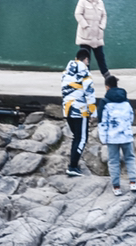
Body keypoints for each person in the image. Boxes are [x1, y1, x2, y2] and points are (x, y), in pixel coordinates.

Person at [98, 75, 136, 195]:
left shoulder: (104, 102)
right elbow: (131, 117)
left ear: (107, 87)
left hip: (112, 137)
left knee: (113, 161)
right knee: (130, 158)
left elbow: (102, 121)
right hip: (126, 135)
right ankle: (133, 182)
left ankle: (116, 187)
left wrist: (103, 138)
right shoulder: (126, 101)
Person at [61, 47, 97, 176]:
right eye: (88, 61)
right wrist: (93, 112)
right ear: (86, 59)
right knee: (82, 138)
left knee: (76, 137)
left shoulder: (66, 73)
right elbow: (90, 93)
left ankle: (73, 165)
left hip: (67, 110)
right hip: (80, 111)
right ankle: (73, 166)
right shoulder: (85, 73)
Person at [74, 0, 108, 77]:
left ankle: (107, 76)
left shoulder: (100, 2)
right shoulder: (83, 0)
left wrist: (102, 26)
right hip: (85, 35)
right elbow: (77, 14)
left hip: (97, 35)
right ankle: (85, 76)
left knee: (100, 56)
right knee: (85, 58)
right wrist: (85, 26)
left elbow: (104, 15)